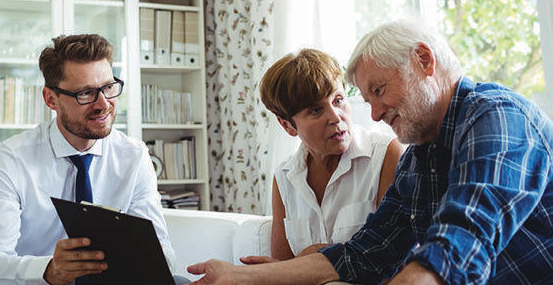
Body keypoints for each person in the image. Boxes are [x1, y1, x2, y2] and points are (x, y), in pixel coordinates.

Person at [186, 19, 553, 285]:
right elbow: (364, 252)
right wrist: (240, 276)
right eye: (367, 99)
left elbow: (460, 240)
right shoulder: (419, 158)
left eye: (378, 90)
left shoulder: (498, 117)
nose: (374, 113)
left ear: (424, 61)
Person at [0, 34, 189, 285]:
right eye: (85, 93)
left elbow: (162, 249)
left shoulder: (134, 156)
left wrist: (152, 263)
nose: (104, 104)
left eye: (108, 87)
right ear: (51, 99)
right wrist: (48, 270)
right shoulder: (13, 159)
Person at [242, 49, 402, 262]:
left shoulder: (387, 155)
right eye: (316, 110)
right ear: (288, 126)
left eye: (338, 100)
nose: (336, 117)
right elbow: (282, 269)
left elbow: (393, 259)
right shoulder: (284, 178)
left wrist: (313, 255)